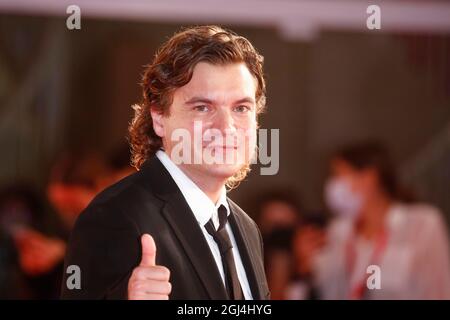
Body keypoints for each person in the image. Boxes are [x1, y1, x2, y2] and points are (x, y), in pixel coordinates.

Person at [61, 25, 270, 300]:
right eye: (202, 107)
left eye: (241, 108)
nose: (226, 127)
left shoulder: (246, 228)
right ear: (159, 117)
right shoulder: (114, 216)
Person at [311, 141, 450, 299]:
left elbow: (440, 290)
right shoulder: (338, 232)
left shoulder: (422, 224)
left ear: (370, 177)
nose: (333, 186)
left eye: (338, 176)